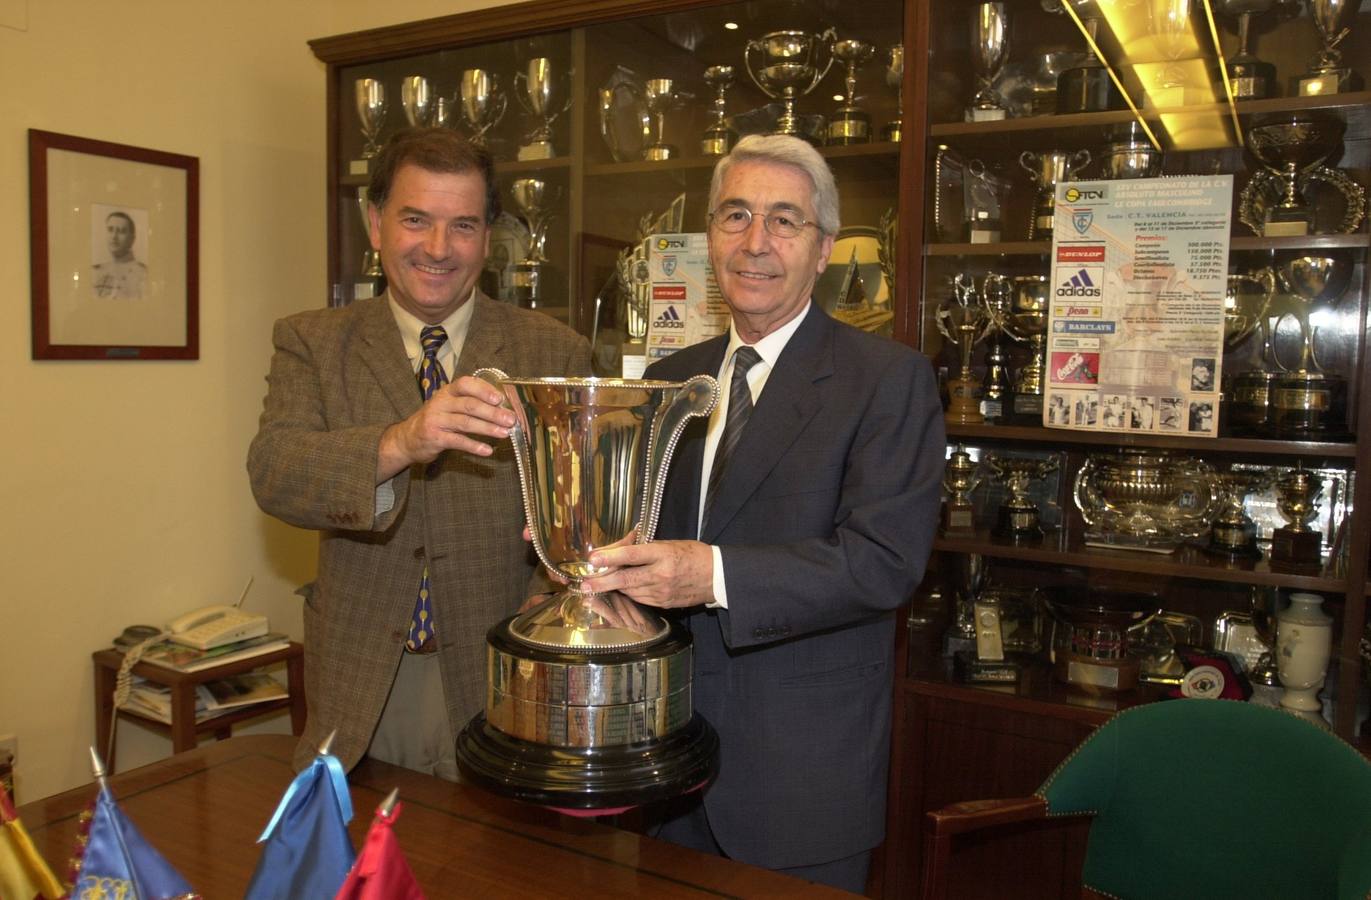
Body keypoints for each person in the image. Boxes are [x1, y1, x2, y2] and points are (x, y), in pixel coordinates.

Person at [579, 134, 945, 892]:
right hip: (666, 761)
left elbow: (882, 562)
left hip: (801, 784)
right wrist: (597, 565)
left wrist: (707, 574)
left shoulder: (887, 380)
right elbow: (640, 528)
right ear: (709, 237)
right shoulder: (669, 379)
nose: (755, 242)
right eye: (735, 215)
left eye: (785, 220)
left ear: (823, 250)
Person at [247, 127, 590, 777]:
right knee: (364, 871)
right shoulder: (312, 342)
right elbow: (274, 473)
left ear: (488, 239)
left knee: (492, 869)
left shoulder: (555, 353)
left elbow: (576, 513)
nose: (438, 249)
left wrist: (550, 588)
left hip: (501, 668)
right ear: (375, 224)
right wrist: (401, 442)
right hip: (364, 677)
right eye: (415, 220)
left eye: (462, 225)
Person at [92, 210, 147, 299]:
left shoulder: (143, 275)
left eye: (121, 231)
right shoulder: (95, 272)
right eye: (110, 230)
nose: (114, 236)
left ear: (132, 239)